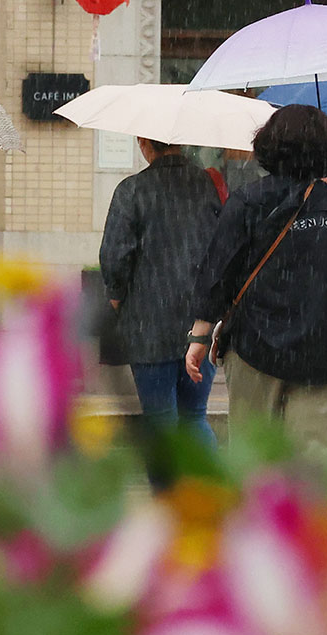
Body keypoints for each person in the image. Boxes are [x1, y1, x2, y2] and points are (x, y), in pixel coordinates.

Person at [184, 104, 327, 457]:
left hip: (255, 345)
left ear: (269, 146)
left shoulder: (249, 201)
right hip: (324, 351)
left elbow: (219, 269)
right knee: (314, 465)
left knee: (253, 460)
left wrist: (200, 336)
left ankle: (257, 513)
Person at [100, 137, 222, 457]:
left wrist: (116, 297)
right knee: (195, 416)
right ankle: (209, 494)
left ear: (143, 143)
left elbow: (114, 256)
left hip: (147, 325)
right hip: (201, 322)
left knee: (160, 421)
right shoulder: (206, 185)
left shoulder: (132, 190)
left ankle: (166, 498)